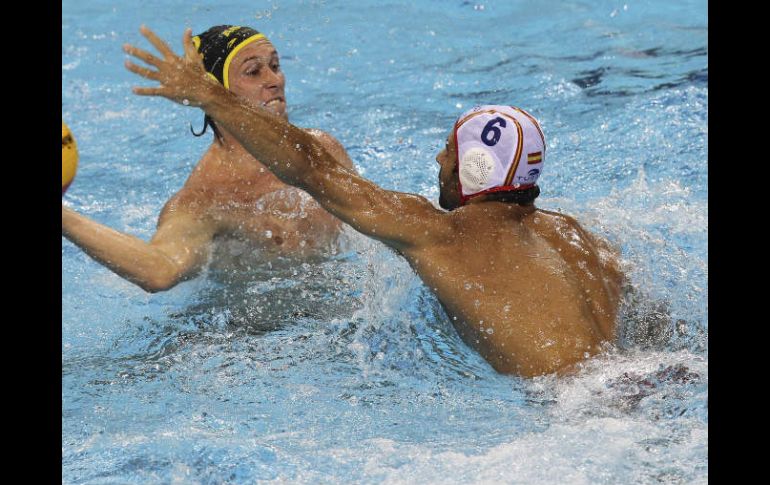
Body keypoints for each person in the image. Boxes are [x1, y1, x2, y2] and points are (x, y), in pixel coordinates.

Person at [123, 26, 625, 377]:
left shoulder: (438, 234)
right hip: (644, 376)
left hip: (576, 411)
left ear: (473, 169)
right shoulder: (578, 236)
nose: (437, 158)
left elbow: (310, 170)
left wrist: (210, 97)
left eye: (449, 153)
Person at [62, 25, 355, 293]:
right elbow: (159, 271)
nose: (274, 80)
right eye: (253, 72)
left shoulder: (321, 147)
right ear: (214, 94)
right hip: (249, 337)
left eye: (275, 66)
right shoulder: (205, 199)